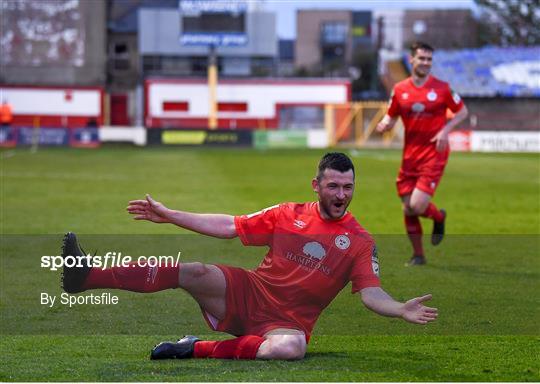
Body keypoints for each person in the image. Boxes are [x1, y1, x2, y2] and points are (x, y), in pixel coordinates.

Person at [61, 152, 438, 361]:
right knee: (193, 270)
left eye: (348, 187)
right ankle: (85, 278)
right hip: (249, 292)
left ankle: (195, 349)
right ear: (317, 186)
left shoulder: (359, 241)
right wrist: (171, 215)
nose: (342, 195)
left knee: (291, 349)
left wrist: (400, 308)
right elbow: (229, 225)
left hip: (287, 323)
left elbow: (372, 294)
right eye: (334, 186)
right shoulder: (288, 213)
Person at [376, 42, 468, 266]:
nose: (426, 63)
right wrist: (385, 123)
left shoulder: (442, 88)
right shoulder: (399, 90)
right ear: (411, 60)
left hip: (434, 154)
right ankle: (418, 255)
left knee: (417, 206)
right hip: (410, 156)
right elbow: (391, 115)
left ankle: (439, 217)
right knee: (407, 207)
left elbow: (463, 111)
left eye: (429, 59)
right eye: (422, 59)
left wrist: (446, 130)